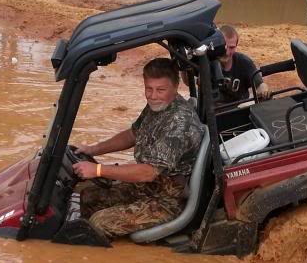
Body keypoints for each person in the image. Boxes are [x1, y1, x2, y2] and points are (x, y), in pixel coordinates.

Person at [73, 57, 205, 239]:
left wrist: (97, 170)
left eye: (160, 90)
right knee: (88, 196)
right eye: (148, 89)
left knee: (99, 223)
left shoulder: (178, 123)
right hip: (148, 188)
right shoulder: (158, 107)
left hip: (166, 201)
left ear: (175, 88)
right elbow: (133, 135)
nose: (153, 96)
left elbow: (148, 172)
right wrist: (93, 150)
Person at [217, 25, 272, 102]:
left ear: (236, 46)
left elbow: (260, 85)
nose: (227, 52)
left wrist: (264, 90)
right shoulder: (205, 61)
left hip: (239, 108)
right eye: (224, 46)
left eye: (231, 47)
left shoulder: (244, 62)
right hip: (212, 110)